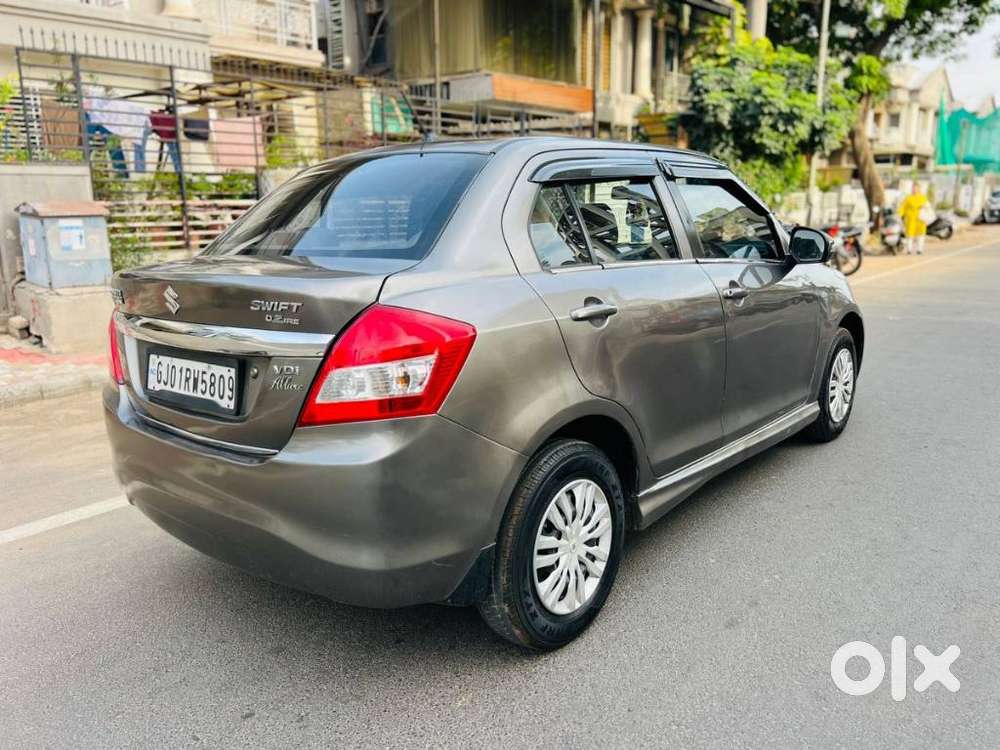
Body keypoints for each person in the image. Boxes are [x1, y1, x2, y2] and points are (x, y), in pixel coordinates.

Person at [899, 183, 930, 255]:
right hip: (910, 220)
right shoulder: (908, 198)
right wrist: (900, 215)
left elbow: (928, 207)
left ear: (919, 189)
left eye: (916, 188)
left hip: (920, 220)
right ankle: (909, 250)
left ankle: (919, 249)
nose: (914, 189)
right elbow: (902, 207)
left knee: (920, 235)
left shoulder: (923, 198)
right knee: (910, 235)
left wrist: (924, 208)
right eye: (913, 188)